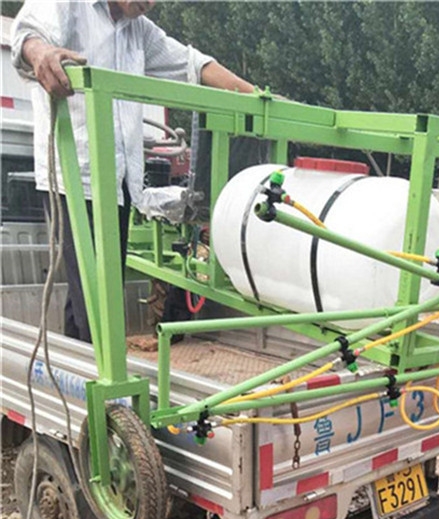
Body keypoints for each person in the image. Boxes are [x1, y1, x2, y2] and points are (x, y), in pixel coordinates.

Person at [11, 0, 256, 343]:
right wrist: (41, 54)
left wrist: (258, 98)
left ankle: (77, 380)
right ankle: (106, 387)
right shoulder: (68, 5)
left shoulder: (137, 31)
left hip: (119, 182)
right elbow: (27, 35)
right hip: (75, 178)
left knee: (93, 293)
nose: (151, 3)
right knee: (98, 299)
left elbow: (193, 65)